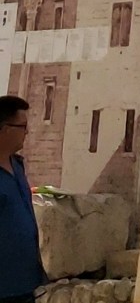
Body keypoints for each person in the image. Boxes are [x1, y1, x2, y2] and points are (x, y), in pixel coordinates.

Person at [0, 95, 47, 303]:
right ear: (6, 129)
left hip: (26, 283)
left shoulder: (17, 166)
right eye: (23, 126)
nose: (26, 133)